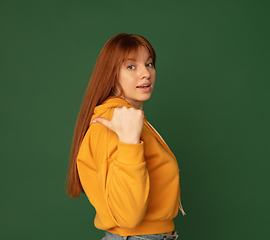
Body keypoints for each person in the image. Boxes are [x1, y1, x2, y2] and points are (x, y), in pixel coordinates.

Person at [65, 33, 185, 240]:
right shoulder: (112, 122)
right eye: (131, 67)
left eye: (149, 64)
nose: (145, 73)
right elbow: (127, 216)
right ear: (111, 75)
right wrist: (129, 142)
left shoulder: (130, 119)